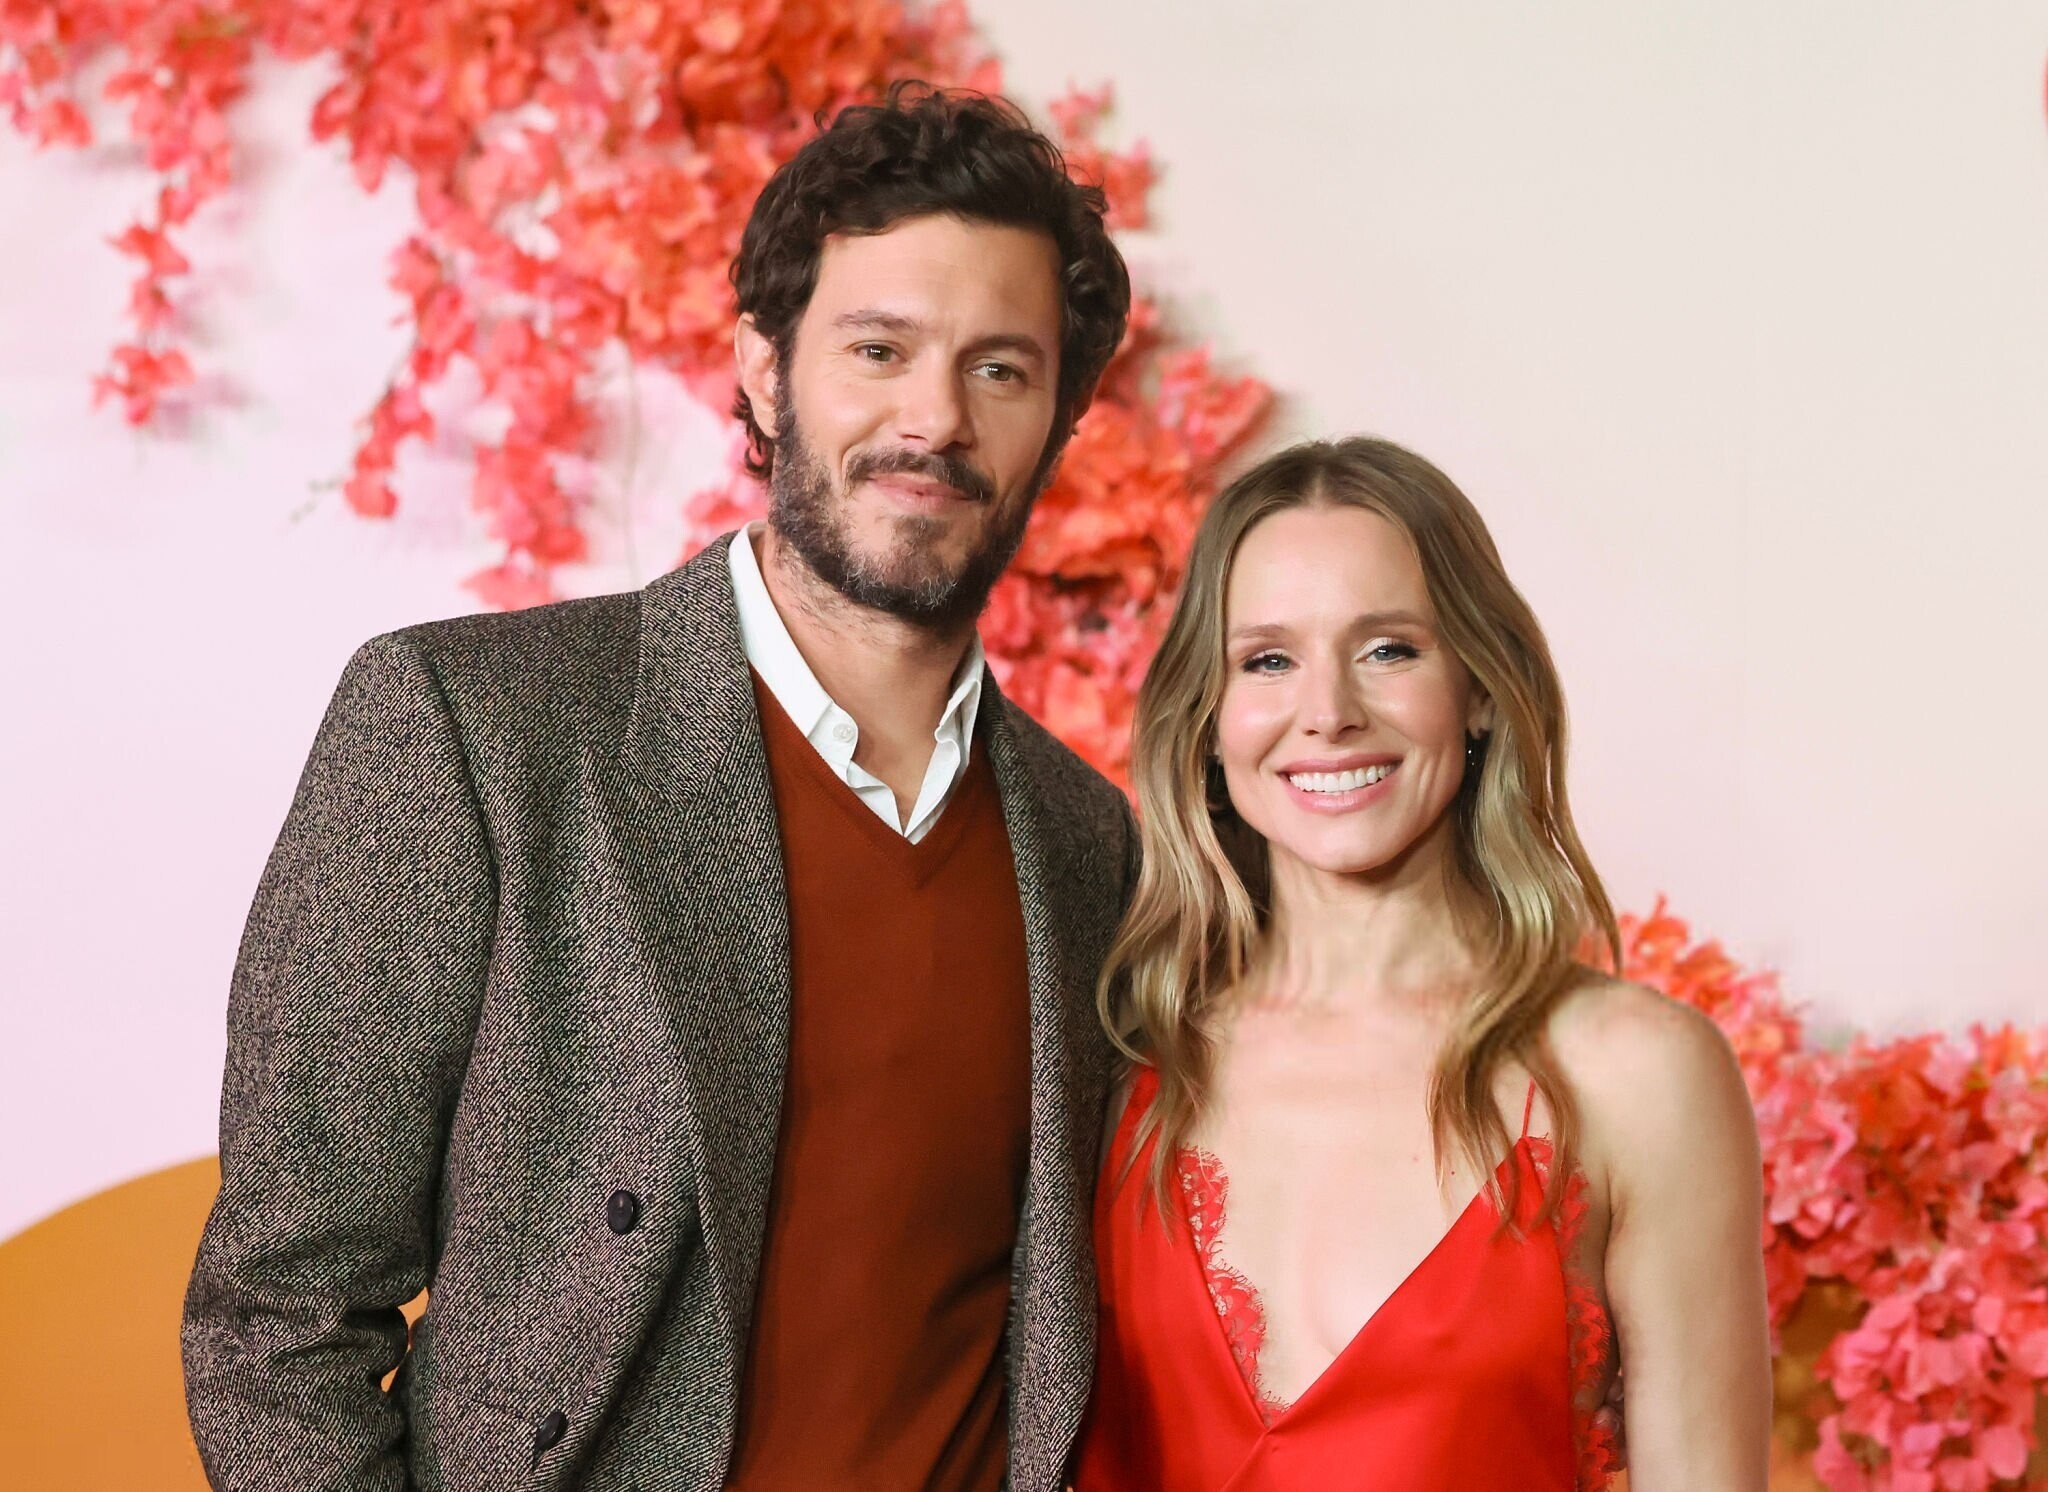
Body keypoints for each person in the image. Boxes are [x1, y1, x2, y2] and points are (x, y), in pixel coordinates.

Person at [182, 84, 1135, 1492]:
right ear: (764, 367)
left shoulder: (1087, 840)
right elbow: (279, 1320)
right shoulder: (474, 729)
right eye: (878, 349)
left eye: (999, 369)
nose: (934, 418)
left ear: (1059, 415)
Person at [1072, 438, 1771, 1490]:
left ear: (1478, 689)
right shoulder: (1111, 1060)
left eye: (1387, 649)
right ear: (1206, 720)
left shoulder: (1636, 1076)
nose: (1327, 711)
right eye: (1266, 661)